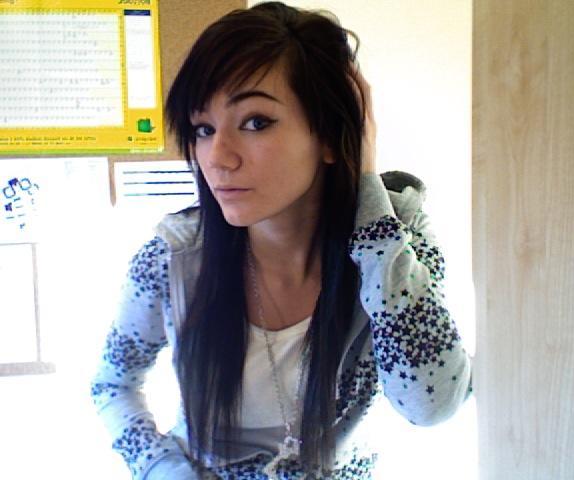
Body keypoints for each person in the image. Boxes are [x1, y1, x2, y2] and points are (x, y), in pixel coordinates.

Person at [91, 2, 473, 479]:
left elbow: (431, 403)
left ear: (332, 134)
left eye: (255, 122)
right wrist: (165, 470)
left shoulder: (394, 243)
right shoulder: (174, 259)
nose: (217, 157)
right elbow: (112, 384)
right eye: (203, 129)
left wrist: (369, 195)